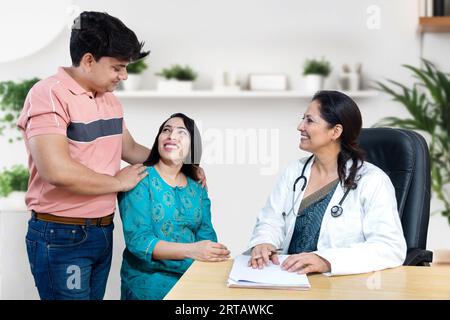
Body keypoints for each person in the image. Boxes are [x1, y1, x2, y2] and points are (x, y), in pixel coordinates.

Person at [16, 12, 206, 300]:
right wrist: (118, 182)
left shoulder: (108, 100)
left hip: (102, 232)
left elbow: (128, 150)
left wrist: (185, 165)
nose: (124, 76)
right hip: (61, 235)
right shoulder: (48, 95)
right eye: (117, 67)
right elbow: (55, 170)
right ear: (89, 60)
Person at [247, 90, 407, 276]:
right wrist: (264, 242)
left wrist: (326, 260)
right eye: (303, 119)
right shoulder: (294, 172)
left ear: (336, 131)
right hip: (288, 278)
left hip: (339, 285)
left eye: (310, 120)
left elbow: (389, 247)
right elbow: (271, 219)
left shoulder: (372, 180)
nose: (300, 126)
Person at [118, 113, 230, 300]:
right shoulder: (140, 178)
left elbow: (206, 236)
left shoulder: (197, 187)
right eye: (166, 130)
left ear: (193, 147)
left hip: (192, 278)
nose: (171, 136)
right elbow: (139, 242)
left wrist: (215, 253)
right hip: (148, 281)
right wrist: (192, 250)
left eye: (181, 133)